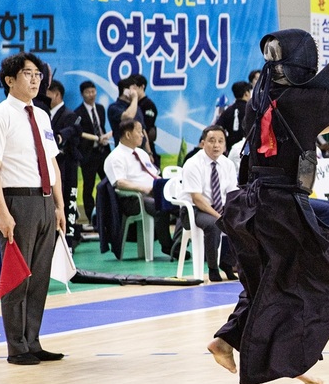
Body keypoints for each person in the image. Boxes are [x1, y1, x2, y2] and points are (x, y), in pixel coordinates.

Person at [206, 28, 329, 384]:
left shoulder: (266, 98)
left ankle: (229, 340)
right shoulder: (301, 99)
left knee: (270, 280)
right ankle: (287, 357)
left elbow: (313, 125)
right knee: (323, 279)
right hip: (279, 207)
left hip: (254, 204)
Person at [0, 52, 66, 365]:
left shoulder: (42, 116)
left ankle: (33, 341)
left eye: (38, 75)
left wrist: (58, 205)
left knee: (40, 277)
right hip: (16, 201)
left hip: (44, 202)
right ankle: (16, 347)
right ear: (9, 80)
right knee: (18, 277)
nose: (34, 80)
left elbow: (52, 162)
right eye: (28, 74)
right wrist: (3, 213)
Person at [103, 119, 174, 255]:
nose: (143, 135)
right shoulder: (115, 157)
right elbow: (120, 182)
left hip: (153, 192)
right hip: (132, 199)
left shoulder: (141, 153)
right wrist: (144, 189)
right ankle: (168, 246)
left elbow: (154, 174)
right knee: (160, 206)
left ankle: (180, 241)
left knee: (183, 204)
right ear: (128, 135)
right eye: (139, 131)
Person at [180, 125, 238, 282]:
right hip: (194, 210)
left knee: (244, 220)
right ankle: (213, 268)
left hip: (220, 208)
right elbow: (197, 199)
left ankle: (228, 263)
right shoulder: (193, 164)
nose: (216, 145)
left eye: (221, 141)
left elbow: (232, 194)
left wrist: (231, 213)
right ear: (202, 143)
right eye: (212, 141)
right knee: (214, 224)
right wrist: (220, 216)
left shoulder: (228, 165)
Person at [46, 80, 83, 248]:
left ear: (56, 94)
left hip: (68, 165)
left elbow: (75, 133)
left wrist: (60, 137)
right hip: (53, 165)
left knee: (69, 199)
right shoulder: (45, 114)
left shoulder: (70, 115)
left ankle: (69, 240)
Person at [75, 81, 111, 224]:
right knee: (88, 187)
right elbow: (79, 135)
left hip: (103, 153)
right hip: (89, 156)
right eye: (88, 92)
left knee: (107, 184)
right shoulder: (78, 113)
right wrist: (95, 140)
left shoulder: (101, 109)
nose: (91, 95)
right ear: (82, 94)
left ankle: (107, 215)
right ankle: (90, 218)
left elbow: (100, 127)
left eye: (93, 91)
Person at [107, 76, 152, 155]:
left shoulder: (136, 107)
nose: (136, 92)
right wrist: (134, 98)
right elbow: (128, 117)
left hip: (141, 150)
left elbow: (143, 130)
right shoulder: (114, 108)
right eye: (134, 89)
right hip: (125, 152)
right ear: (126, 91)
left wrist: (149, 152)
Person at [132, 74, 160, 167]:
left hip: (146, 145)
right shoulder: (133, 104)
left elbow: (146, 127)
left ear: (142, 87)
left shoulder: (148, 105)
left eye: (135, 87)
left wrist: (148, 152)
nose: (132, 90)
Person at [215, 81, 252, 149]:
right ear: (246, 93)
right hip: (247, 148)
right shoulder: (251, 110)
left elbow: (217, 127)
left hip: (231, 148)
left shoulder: (228, 110)